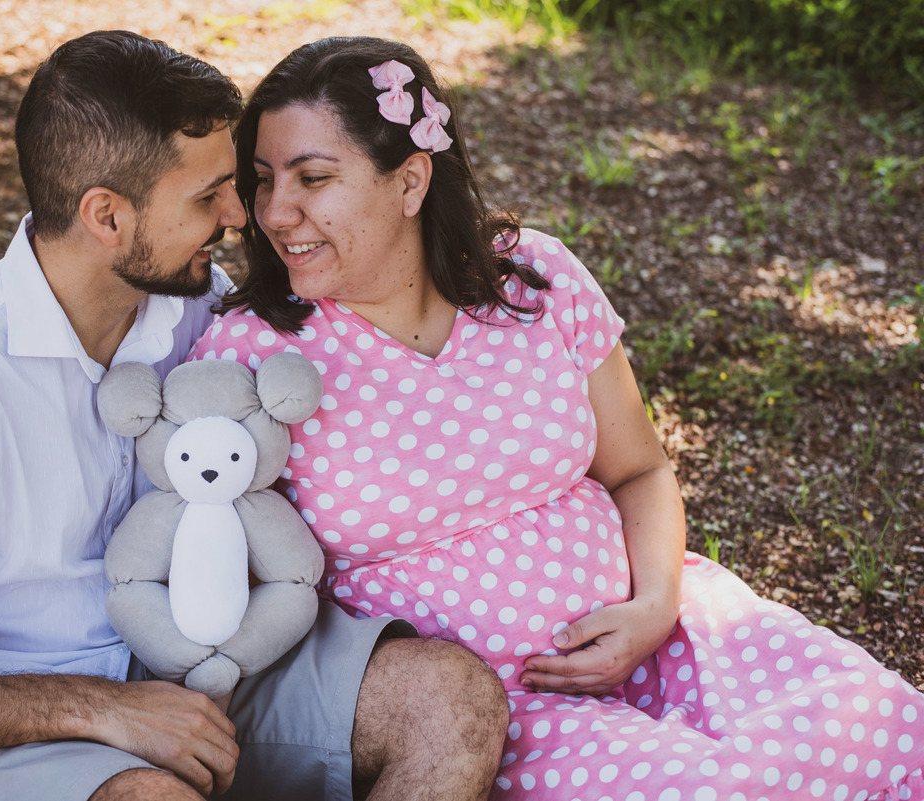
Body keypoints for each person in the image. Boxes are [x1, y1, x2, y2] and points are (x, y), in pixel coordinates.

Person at [191, 35, 924, 800]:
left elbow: (640, 468)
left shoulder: (532, 280)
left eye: (313, 177)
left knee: (892, 727)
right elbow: (229, 572)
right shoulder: (253, 354)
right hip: (501, 711)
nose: (275, 211)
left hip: (662, 630)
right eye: (266, 178)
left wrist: (651, 607)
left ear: (410, 181)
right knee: (708, 792)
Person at [0, 30, 510, 801]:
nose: (244, 213)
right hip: (21, 727)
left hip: (204, 661)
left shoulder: (193, 313)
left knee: (450, 700)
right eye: (208, 196)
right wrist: (105, 708)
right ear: (107, 216)